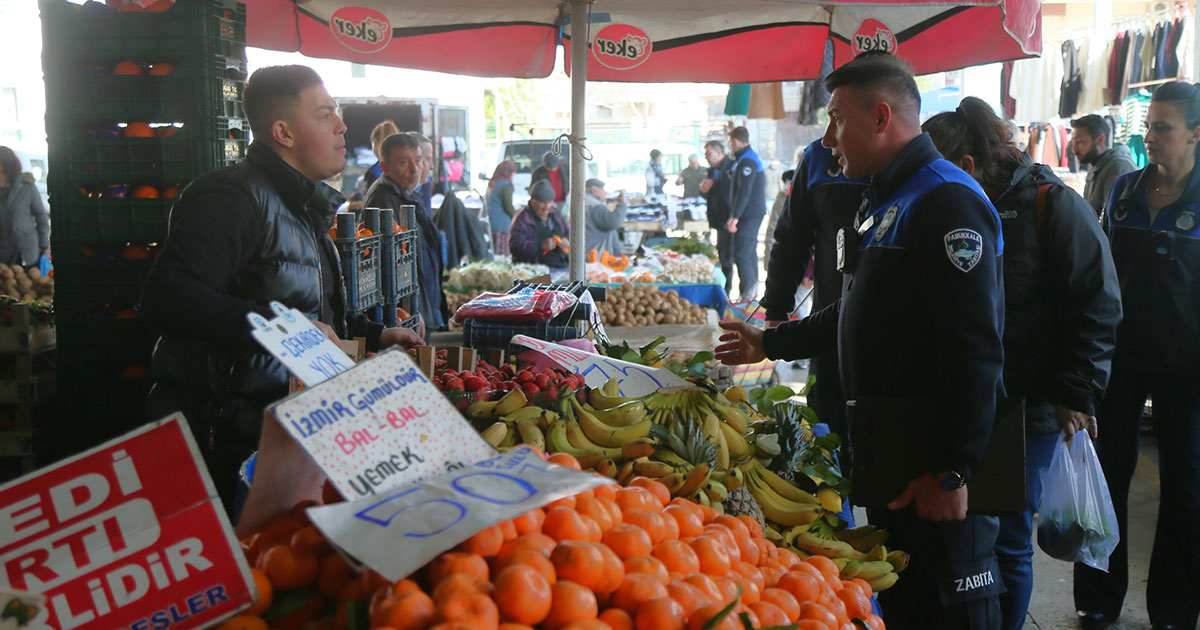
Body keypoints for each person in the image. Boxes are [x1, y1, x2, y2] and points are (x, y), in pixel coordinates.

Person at [715, 53, 1006, 628]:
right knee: (907, 600)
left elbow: (975, 349)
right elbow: (855, 312)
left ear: (880, 117)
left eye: (836, 119)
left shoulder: (946, 200)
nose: (827, 139)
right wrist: (770, 343)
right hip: (892, 454)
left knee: (951, 607)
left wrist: (954, 469)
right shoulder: (886, 197)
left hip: (932, 461)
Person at [140, 65, 424, 510]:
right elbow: (167, 296)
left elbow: (309, 311)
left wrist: (373, 334)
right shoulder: (233, 198)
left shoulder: (303, 206)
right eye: (325, 114)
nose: (342, 126)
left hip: (283, 436)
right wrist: (283, 327)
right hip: (226, 446)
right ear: (284, 132)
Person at [924, 97, 1123, 630]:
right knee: (970, 529)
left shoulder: (1049, 204)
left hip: (1029, 403)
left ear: (966, 168)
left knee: (1009, 536)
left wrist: (1076, 394)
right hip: (969, 396)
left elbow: (1098, 303)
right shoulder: (958, 208)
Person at [1073, 81, 1200, 630]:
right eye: (1148, 127)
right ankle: (1098, 598)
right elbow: (1098, 281)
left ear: (1195, 134)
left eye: (1164, 128)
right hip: (1118, 366)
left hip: (1187, 371)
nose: (1151, 138)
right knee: (1106, 480)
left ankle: (1173, 609)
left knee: (1187, 489)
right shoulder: (1123, 191)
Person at [762, 140, 867, 453]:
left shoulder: (914, 166)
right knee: (827, 436)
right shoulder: (817, 157)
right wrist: (776, 313)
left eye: (839, 117)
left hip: (887, 337)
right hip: (828, 324)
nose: (830, 136)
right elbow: (790, 240)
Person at [365, 132, 447, 338]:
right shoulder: (383, 201)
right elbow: (387, 265)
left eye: (418, 161)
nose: (415, 169)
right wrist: (409, 310)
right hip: (404, 315)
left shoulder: (407, 195)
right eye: (404, 163)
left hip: (418, 308)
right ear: (385, 168)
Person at [725, 126, 767, 301]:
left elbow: (745, 191)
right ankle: (751, 295)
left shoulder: (747, 161)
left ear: (735, 141)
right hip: (749, 214)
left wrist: (735, 216)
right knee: (748, 254)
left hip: (749, 215)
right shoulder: (744, 158)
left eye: (730, 143)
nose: (730, 147)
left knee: (742, 255)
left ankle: (747, 297)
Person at [1071, 114, 1137, 217]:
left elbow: (1113, 220)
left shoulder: (1118, 167)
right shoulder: (1096, 165)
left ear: (1100, 140)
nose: (1074, 149)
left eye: (1080, 142)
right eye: (1073, 143)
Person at [0, 147, 49, 266]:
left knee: (29, 282)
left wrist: (43, 245)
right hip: (3, 254)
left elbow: (41, 217)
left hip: (27, 251)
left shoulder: (27, 186)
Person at [699, 140, 734, 294]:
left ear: (719, 152)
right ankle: (725, 288)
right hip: (718, 220)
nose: (706, 157)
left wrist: (715, 183)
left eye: (709, 153)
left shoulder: (730, 167)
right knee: (722, 254)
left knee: (728, 257)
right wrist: (703, 190)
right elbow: (709, 192)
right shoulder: (713, 170)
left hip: (729, 219)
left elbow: (729, 193)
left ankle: (728, 291)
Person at [510, 180, 569, 269]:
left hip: (561, 265)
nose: (547, 206)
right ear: (533, 201)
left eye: (550, 202)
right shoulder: (522, 219)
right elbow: (515, 247)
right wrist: (540, 245)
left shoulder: (555, 213)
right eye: (543, 202)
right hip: (534, 270)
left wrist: (567, 241)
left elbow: (568, 233)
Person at [583, 178, 627, 256]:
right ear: (594, 190)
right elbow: (613, 222)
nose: (605, 192)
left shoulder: (585, 201)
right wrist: (622, 204)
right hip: (595, 255)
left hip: (587, 252)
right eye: (603, 190)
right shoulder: (595, 206)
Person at [354, 119, 397, 198]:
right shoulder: (404, 167)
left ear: (377, 143)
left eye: (372, 144)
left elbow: (368, 203)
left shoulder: (374, 172)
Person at [486, 161, 518, 256]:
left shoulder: (494, 182)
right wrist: (517, 216)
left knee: (495, 252)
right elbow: (508, 206)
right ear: (508, 172)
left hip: (493, 222)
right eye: (513, 171)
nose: (515, 174)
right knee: (502, 254)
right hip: (501, 224)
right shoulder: (505, 185)